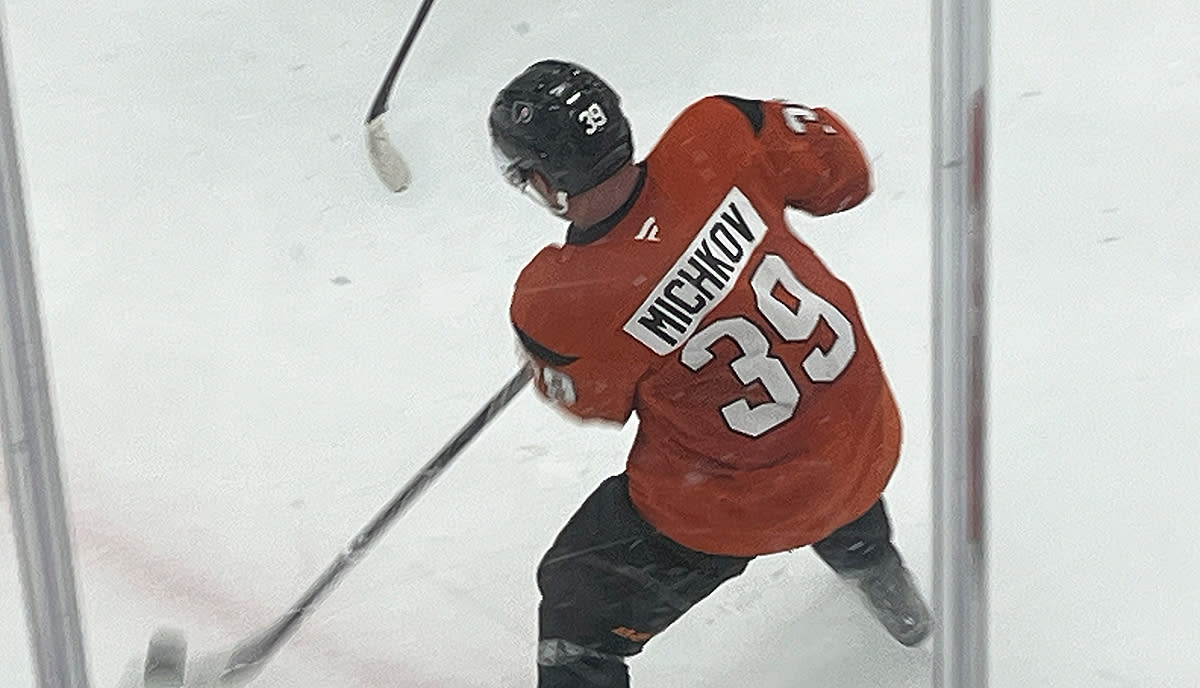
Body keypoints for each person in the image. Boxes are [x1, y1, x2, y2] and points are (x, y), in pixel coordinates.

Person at [489, 59, 931, 688]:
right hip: (861, 434)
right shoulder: (716, 133)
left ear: (538, 179)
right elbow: (844, 176)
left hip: (737, 501)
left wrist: (562, 338)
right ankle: (891, 593)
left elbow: (591, 404)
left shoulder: (558, 299)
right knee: (818, 449)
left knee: (577, 604)